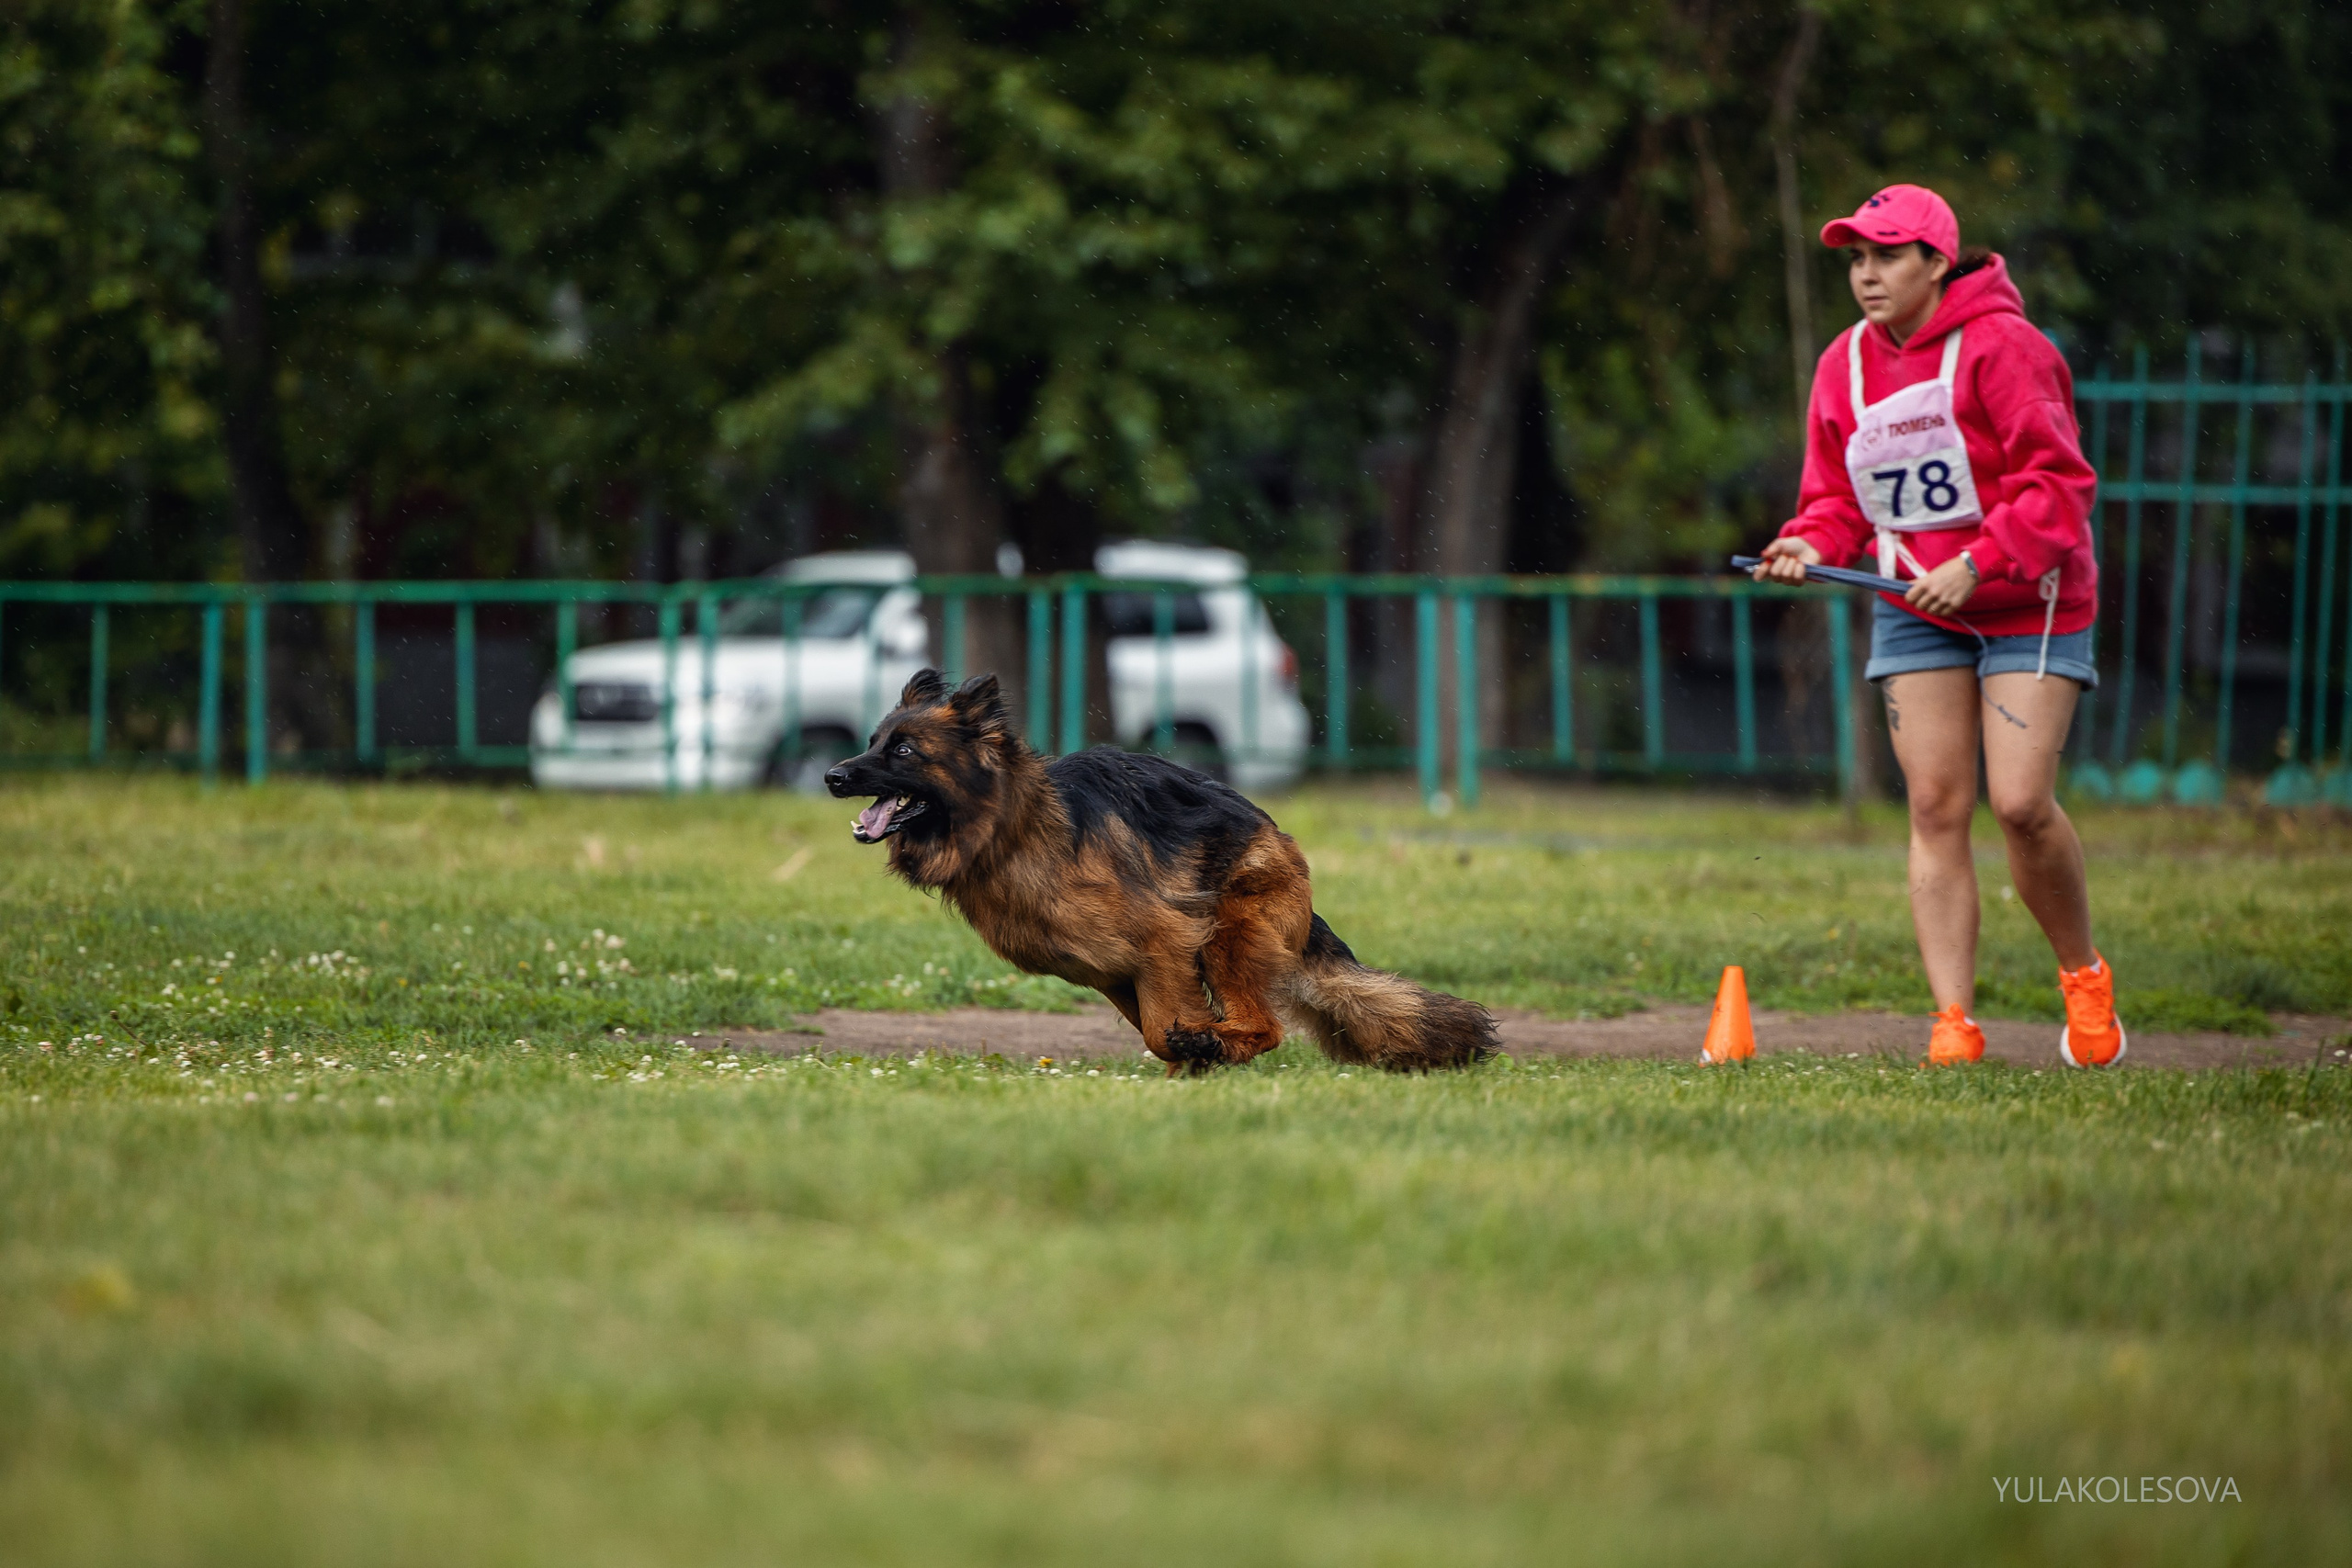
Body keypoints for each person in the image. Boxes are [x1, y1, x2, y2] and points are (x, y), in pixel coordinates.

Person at [1752, 184, 2124, 1067]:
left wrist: (1982, 560)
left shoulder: (2007, 348)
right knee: (1934, 803)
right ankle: (1954, 1024)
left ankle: (2083, 975)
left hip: (2029, 600)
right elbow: (1837, 499)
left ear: (1936, 262)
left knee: (2022, 805)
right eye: (1855, 259)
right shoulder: (1842, 364)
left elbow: (2060, 486)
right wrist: (1804, 541)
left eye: (1885, 255)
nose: (1867, 274)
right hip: (1917, 608)